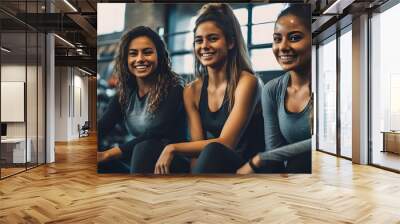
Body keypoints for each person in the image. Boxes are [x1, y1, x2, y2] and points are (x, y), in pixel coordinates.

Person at [154, 3, 264, 174]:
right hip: (213, 164)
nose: (204, 46)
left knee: (214, 149)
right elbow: (195, 150)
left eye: (213, 38)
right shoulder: (192, 90)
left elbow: (227, 143)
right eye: (199, 40)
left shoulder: (247, 82)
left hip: (246, 167)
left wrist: (173, 148)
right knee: (147, 148)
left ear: (230, 43)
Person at [97, 26, 190, 174]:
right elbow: (102, 126)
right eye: (133, 54)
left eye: (147, 52)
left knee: (144, 147)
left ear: (159, 55)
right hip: (141, 161)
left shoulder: (174, 87)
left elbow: (155, 133)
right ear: (126, 59)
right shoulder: (125, 93)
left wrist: (107, 154)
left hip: (172, 161)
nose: (140, 59)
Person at [237, 4, 312, 174]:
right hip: (292, 175)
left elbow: (324, 143)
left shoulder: (329, 85)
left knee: (303, 159)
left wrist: (259, 159)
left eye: (294, 38)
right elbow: (274, 153)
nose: (282, 47)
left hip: (327, 171)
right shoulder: (271, 90)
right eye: (277, 39)